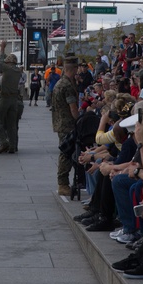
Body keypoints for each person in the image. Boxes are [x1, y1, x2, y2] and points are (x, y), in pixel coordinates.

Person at [51, 55, 79, 196]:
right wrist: (79, 120)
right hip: (67, 124)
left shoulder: (60, 83)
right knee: (66, 153)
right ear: (73, 69)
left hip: (60, 122)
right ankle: (63, 183)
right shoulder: (67, 85)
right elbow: (73, 108)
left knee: (66, 152)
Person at [0, 54, 22, 153]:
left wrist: (1, 49)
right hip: (14, 99)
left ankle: (4, 142)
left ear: (8, 63)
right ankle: (13, 146)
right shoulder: (18, 71)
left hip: (5, 98)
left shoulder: (7, 69)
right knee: (12, 125)